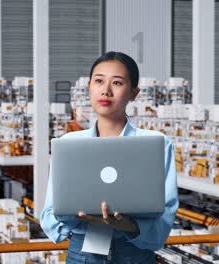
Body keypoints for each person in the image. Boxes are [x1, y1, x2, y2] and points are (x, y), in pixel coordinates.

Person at [40, 51, 178, 263]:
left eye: (117, 82)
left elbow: (164, 221)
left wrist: (130, 227)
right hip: (82, 253)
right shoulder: (69, 144)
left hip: (134, 253)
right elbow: (50, 218)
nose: (105, 90)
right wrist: (77, 218)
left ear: (134, 93)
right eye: (98, 81)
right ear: (89, 87)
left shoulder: (156, 145)